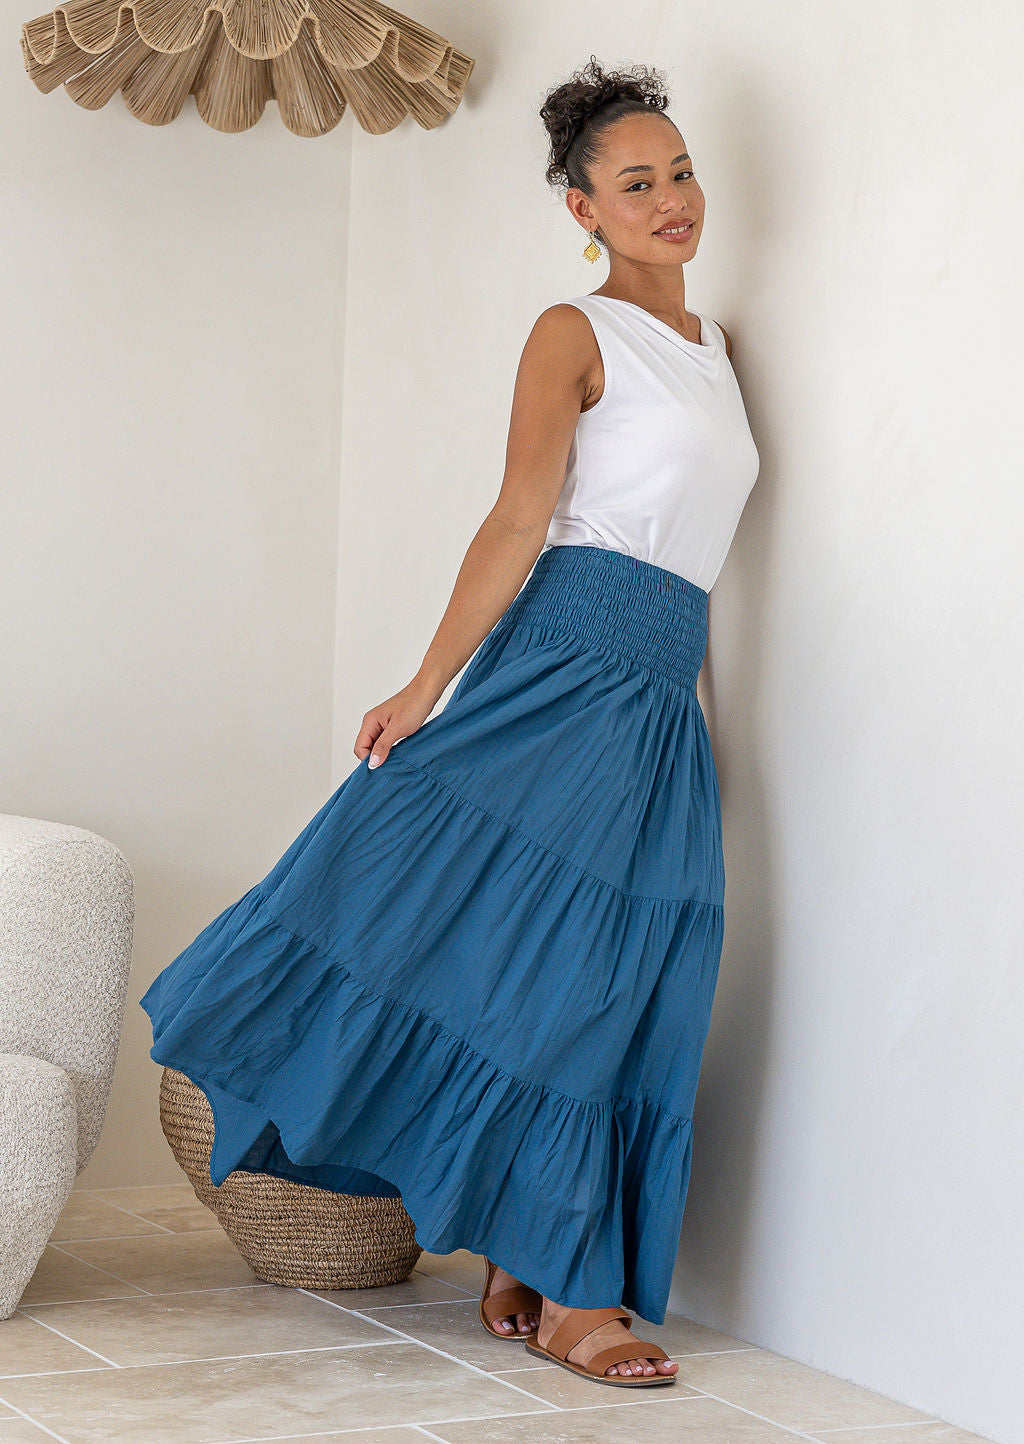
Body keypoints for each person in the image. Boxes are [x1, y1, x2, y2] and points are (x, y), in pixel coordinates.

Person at [139, 55, 760, 1389]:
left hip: (659, 701)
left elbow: (700, 551)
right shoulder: (572, 332)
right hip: (563, 670)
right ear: (581, 207)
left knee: (635, 984)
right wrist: (426, 685)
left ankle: (523, 1249)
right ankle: (580, 1298)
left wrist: (698, 721)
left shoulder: (719, 354)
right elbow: (518, 520)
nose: (671, 199)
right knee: (560, 976)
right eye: (635, 182)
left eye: (683, 172)